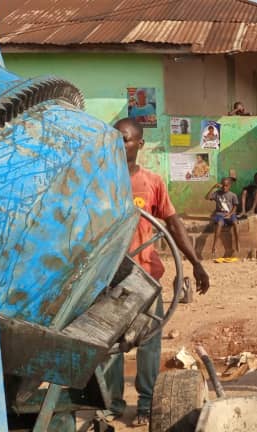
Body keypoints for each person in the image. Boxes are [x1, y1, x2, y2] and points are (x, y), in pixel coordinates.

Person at [106, 118, 210, 426]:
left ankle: (147, 404)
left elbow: (174, 224)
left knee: (149, 342)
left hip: (146, 278)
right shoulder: (100, 181)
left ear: (139, 144)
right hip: (108, 278)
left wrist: (194, 262)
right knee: (109, 343)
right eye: (114, 138)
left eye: (124, 139)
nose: (118, 144)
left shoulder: (152, 181)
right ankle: (110, 403)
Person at [207, 177, 240, 260]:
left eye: (226, 186)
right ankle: (214, 246)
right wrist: (213, 187)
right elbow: (207, 197)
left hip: (230, 214)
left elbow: (235, 207)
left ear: (229, 186)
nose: (224, 187)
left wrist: (230, 214)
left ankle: (237, 243)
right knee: (219, 224)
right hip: (220, 214)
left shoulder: (233, 195)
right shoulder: (217, 193)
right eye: (223, 186)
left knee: (235, 223)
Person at [240, 172, 257, 247]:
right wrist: (250, 187)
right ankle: (243, 210)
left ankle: (252, 209)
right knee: (245, 191)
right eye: (256, 179)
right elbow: (245, 189)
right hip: (251, 204)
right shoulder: (253, 186)